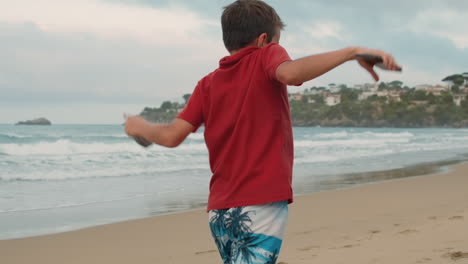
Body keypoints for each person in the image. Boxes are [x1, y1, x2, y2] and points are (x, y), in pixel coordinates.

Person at [125, 0, 401, 263]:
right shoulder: (266, 55)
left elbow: (172, 136)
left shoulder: (206, 85)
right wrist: (350, 52)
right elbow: (292, 74)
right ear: (263, 39)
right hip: (259, 204)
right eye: (277, 44)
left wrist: (141, 127)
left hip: (219, 211)